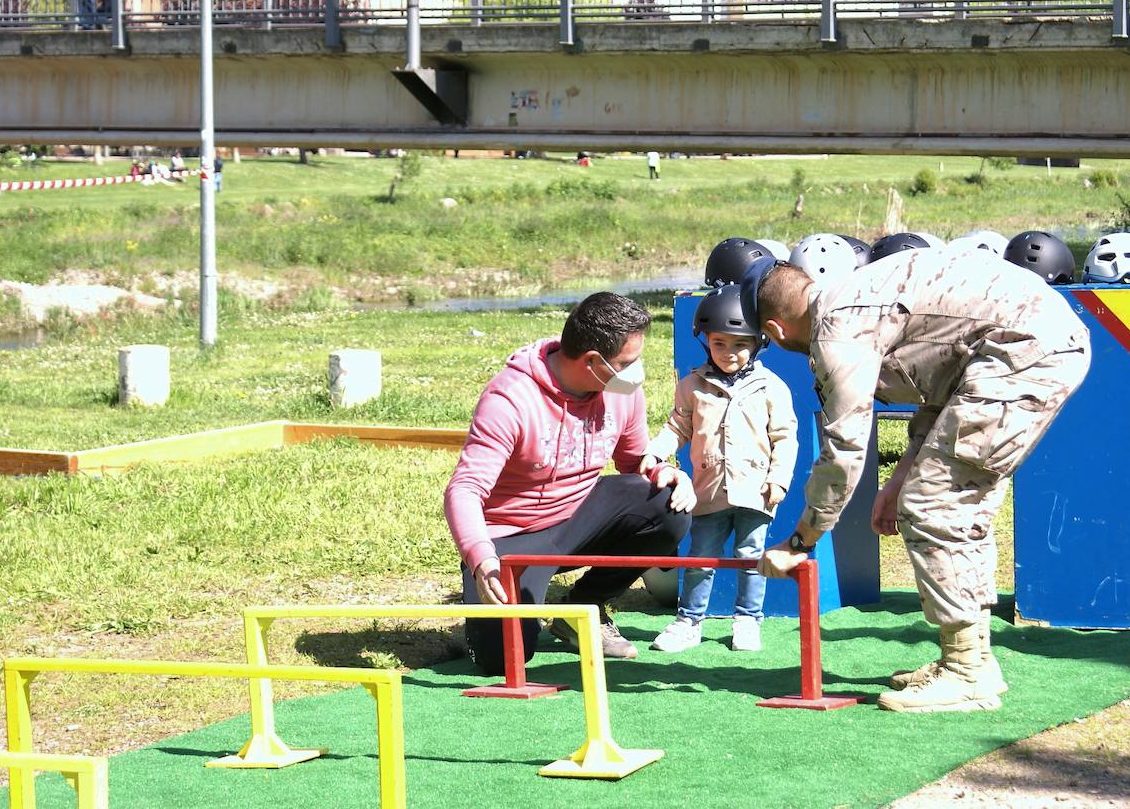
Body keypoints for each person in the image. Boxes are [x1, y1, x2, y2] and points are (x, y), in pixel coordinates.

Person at [741, 249, 1090, 713]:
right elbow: (945, 383)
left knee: (936, 505)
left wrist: (801, 540)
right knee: (941, 498)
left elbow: (844, 448)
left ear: (774, 331)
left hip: (1027, 353)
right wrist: (900, 477)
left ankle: (966, 673)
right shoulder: (859, 293)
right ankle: (972, 658)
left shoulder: (837, 329)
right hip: (1029, 344)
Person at [444, 292, 697, 672]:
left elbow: (633, 463)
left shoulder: (621, 391)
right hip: (511, 539)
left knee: (667, 506)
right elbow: (464, 490)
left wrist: (667, 472)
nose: (637, 371)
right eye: (627, 362)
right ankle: (484, 625)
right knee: (504, 661)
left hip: (579, 515)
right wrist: (481, 559)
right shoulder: (510, 399)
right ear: (592, 361)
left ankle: (586, 608)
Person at [641, 285, 798, 654]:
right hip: (708, 490)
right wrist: (656, 452)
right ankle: (688, 621)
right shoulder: (692, 385)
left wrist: (779, 479)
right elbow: (677, 427)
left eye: (740, 344)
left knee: (750, 556)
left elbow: (785, 438)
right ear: (706, 342)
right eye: (719, 343)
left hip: (756, 489)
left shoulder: (771, 387)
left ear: (759, 343)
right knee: (700, 557)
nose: (729, 353)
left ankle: (747, 619)